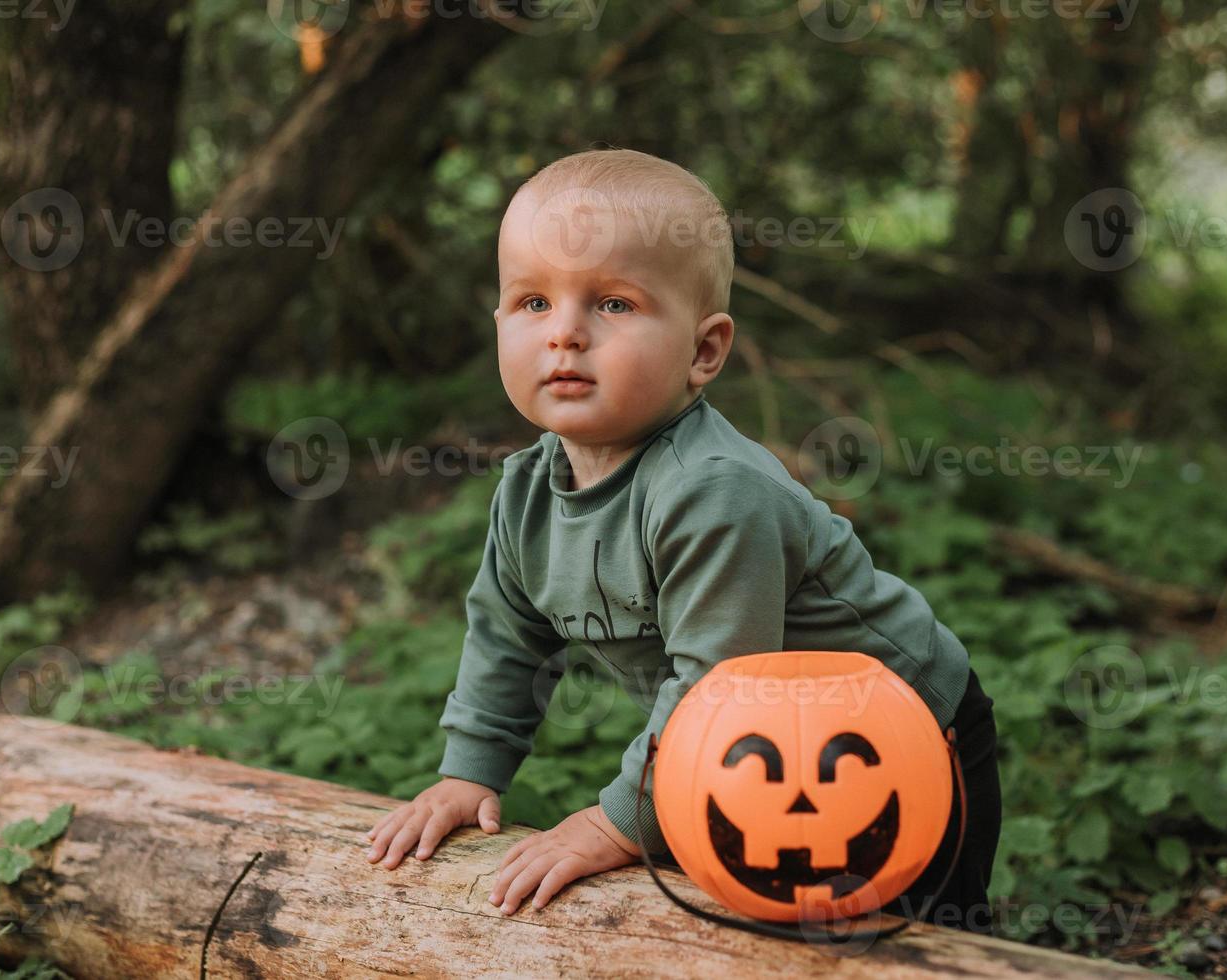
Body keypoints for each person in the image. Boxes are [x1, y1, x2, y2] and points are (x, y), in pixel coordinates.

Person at [363, 147, 1002, 934]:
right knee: (763, 921)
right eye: (532, 302)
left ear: (704, 351)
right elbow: (507, 637)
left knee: (895, 937)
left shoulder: (712, 491)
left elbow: (715, 685)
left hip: (896, 734)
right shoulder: (526, 491)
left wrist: (617, 822)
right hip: (751, 747)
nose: (565, 333)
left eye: (614, 305)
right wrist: (468, 773)